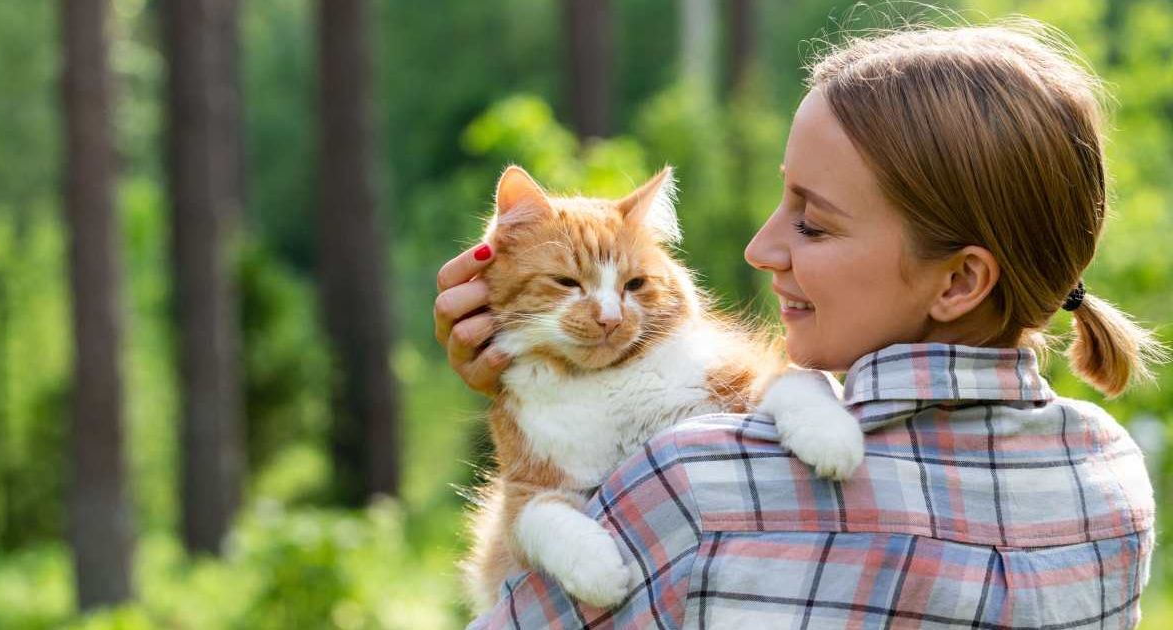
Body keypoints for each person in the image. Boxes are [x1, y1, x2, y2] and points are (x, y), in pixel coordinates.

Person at [435, 20, 1163, 629]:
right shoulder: (1109, 473)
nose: (760, 248)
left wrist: (537, 399)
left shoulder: (697, 485)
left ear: (960, 281)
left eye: (812, 223)